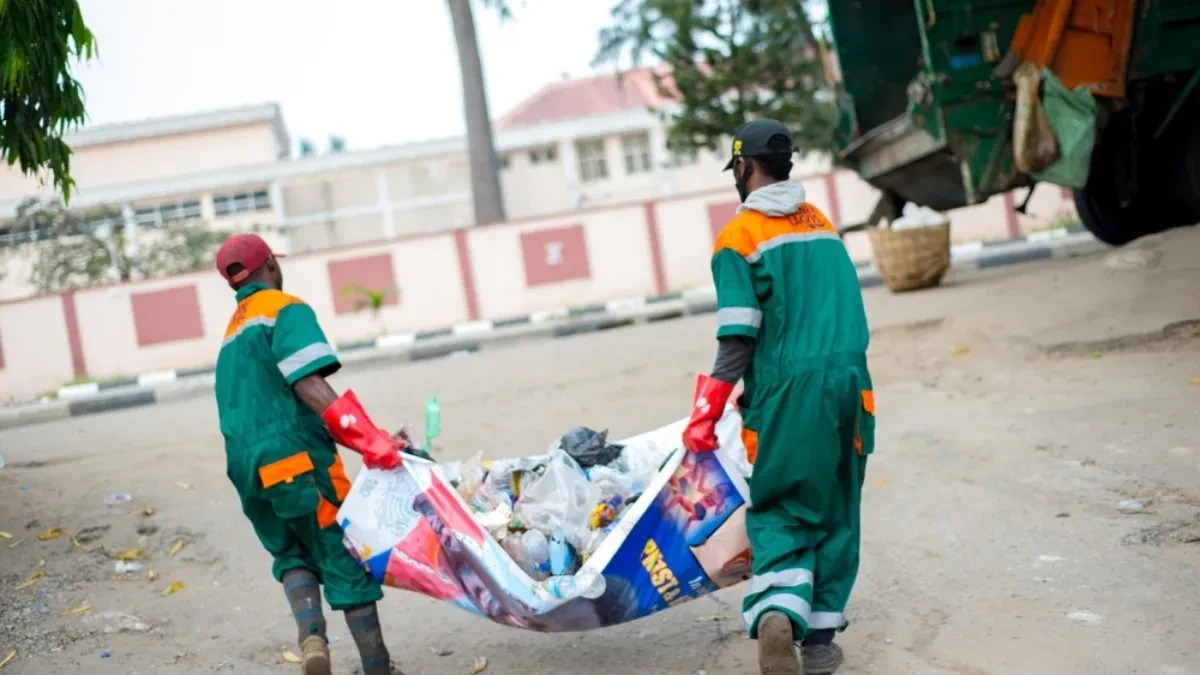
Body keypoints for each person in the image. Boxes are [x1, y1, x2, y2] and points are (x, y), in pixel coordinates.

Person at [680, 120, 875, 675]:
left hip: (789, 393)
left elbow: (738, 337)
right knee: (838, 505)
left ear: (744, 167)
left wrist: (707, 411)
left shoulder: (738, 240)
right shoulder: (822, 224)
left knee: (785, 506)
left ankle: (777, 614)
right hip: (851, 387)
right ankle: (818, 643)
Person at [213, 233, 410, 675]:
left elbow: (284, 410)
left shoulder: (230, 337)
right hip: (295, 462)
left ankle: (312, 639)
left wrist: (371, 434)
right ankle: (378, 668)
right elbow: (310, 386)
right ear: (269, 267)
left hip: (248, 470)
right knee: (342, 553)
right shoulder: (284, 309)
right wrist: (371, 444)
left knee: (292, 553)